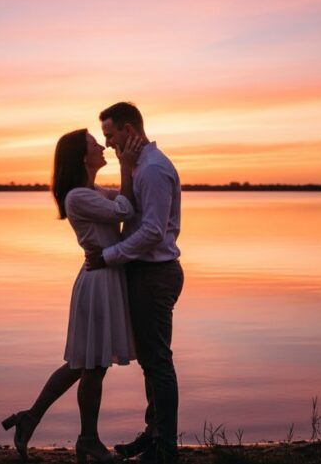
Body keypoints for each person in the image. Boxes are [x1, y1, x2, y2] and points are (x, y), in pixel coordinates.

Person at [2, 128, 143, 463]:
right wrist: (126, 165)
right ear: (83, 157)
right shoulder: (78, 196)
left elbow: (124, 200)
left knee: (82, 363)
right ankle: (87, 440)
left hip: (103, 277)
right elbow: (125, 210)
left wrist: (133, 170)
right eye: (95, 144)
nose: (101, 146)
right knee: (91, 365)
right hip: (98, 283)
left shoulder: (90, 191)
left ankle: (31, 417)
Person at [86, 102, 184, 464]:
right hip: (143, 273)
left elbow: (153, 232)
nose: (108, 142)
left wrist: (108, 257)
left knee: (158, 361)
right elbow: (126, 208)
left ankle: (166, 449)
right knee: (151, 361)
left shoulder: (154, 170)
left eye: (110, 135)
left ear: (128, 131)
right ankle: (154, 434)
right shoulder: (139, 168)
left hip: (155, 274)